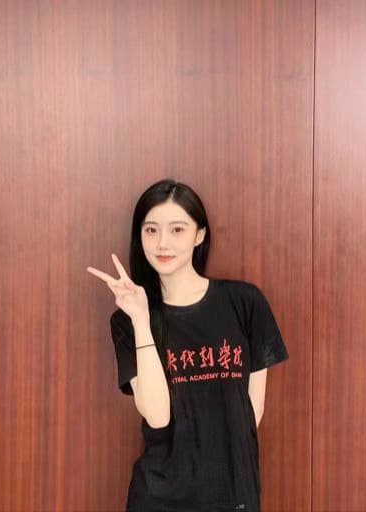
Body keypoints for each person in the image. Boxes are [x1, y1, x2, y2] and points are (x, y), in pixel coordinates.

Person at [87, 179, 289, 512]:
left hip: (233, 495)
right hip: (158, 498)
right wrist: (141, 319)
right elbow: (157, 415)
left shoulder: (244, 302)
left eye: (177, 230)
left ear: (199, 235)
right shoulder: (128, 320)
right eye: (151, 230)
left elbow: (251, 411)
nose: (163, 242)